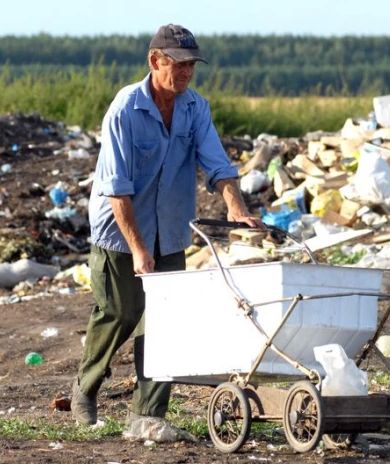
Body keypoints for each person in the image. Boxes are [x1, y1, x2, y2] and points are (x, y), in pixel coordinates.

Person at [71, 24, 263, 434]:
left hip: (171, 229)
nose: (187, 72)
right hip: (119, 232)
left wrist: (235, 206)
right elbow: (117, 190)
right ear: (155, 61)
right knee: (120, 311)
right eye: (179, 63)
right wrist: (139, 249)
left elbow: (218, 165)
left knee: (163, 323)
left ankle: (147, 415)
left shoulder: (195, 109)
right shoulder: (126, 108)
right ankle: (86, 386)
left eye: (192, 65)